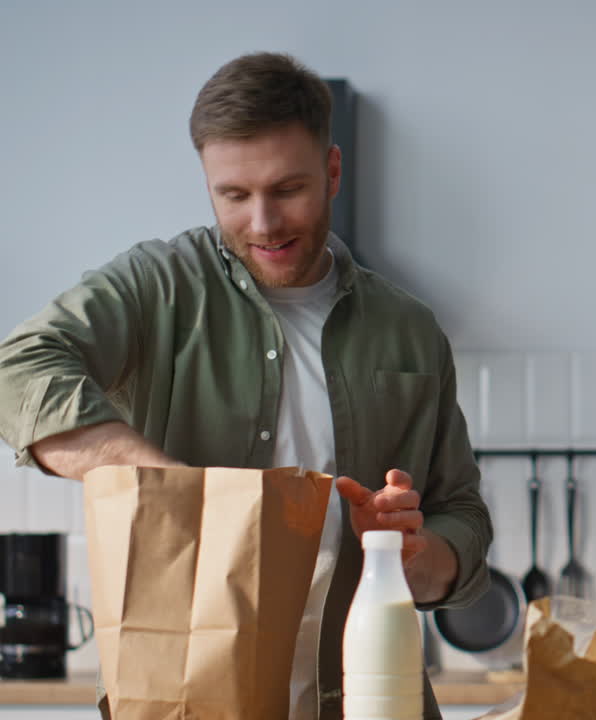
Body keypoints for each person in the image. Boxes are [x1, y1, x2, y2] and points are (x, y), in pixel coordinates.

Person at [0, 52, 492, 720]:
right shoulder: (156, 286)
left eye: (287, 189)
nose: (263, 223)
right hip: (186, 701)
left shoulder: (410, 329)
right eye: (233, 195)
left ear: (333, 172)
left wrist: (414, 556)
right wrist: (177, 491)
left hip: (370, 701)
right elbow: (19, 369)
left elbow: (462, 515)